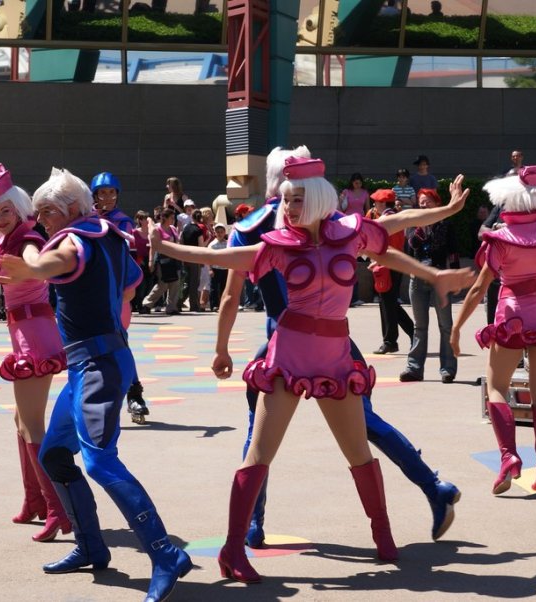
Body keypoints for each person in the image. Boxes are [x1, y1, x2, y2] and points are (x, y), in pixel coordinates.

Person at [151, 154, 473, 583]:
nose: (289, 207)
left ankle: (383, 534)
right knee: (259, 453)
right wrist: (165, 246)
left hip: (336, 357)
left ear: (320, 199)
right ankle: (232, 549)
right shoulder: (277, 244)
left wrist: (444, 225)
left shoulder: (351, 235)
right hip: (289, 355)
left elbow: (398, 227)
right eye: (286, 200)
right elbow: (226, 261)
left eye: (298, 199)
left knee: (358, 451)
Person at [0, 167, 191, 601]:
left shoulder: (73, 240)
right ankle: (90, 546)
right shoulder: (108, 235)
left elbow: (56, 261)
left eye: (46, 210)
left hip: (100, 365)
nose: (41, 218)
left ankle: (165, 554)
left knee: (100, 462)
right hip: (94, 362)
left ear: (68, 209)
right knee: (55, 455)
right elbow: (131, 285)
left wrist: (31, 267)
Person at [452, 162, 536, 495]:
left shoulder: (500, 240)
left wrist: (455, 329)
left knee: (496, 387)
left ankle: (509, 457)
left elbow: (478, 289)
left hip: (512, 313)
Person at [0, 163, 70, 542]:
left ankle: (58, 508)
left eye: (5, 210)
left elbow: (33, 262)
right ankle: (35, 502)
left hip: (34, 333)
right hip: (24, 331)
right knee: (20, 421)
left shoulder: (26, 238)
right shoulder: (8, 239)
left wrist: (20, 267)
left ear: (19, 207)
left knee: (32, 424)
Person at [90, 171, 151, 424]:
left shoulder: (121, 221)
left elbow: (123, 256)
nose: (107, 197)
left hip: (115, 292)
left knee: (120, 342)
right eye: (102, 193)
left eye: (111, 192)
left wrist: (127, 288)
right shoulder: (86, 218)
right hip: (89, 292)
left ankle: (134, 394)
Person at [401, 188, 459, 383]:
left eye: (428, 202)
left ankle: (447, 369)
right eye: (421, 202)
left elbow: (453, 252)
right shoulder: (414, 222)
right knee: (420, 326)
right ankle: (414, 368)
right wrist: (418, 229)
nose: (424, 205)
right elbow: (410, 248)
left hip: (440, 278)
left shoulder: (446, 225)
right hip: (417, 279)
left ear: (436, 203)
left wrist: (456, 276)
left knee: (445, 325)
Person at [368, 189, 413, 354]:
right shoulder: (392, 217)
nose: (374, 205)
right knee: (389, 303)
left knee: (387, 303)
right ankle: (411, 335)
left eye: (376, 202)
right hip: (391, 264)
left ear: (382, 203)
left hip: (388, 265)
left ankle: (390, 341)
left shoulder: (386, 219)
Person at [139, 208, 182, 315]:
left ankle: (171, 307)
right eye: (171, 218)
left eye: (174, 218)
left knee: (175, 282)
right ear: (164, 218)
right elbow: (153, 247)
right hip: (162, 260)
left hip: (174, 259)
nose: (173, 220)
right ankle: (146, 304)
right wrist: (151, 261)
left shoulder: (173, 229)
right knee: (162, 284)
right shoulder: (157, 229)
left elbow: (177, 244)